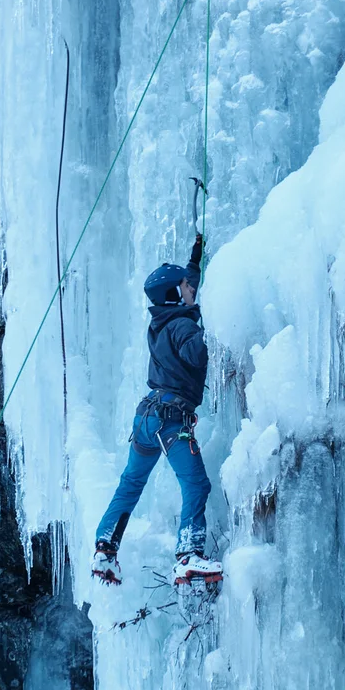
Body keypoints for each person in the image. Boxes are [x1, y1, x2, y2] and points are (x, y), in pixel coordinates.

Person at [91, 235, 223, 589]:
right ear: (176, 295)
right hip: (171, 421)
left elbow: (185, 287)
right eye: (185, 286)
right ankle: (188, 554)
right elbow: (198, 354)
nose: (191, 289)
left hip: (147, 419)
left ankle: (105, 548)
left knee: (132, 483)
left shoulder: (163, 320)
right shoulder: (183, 325)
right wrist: (212, 324)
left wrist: (194, 259)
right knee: (196, 482)